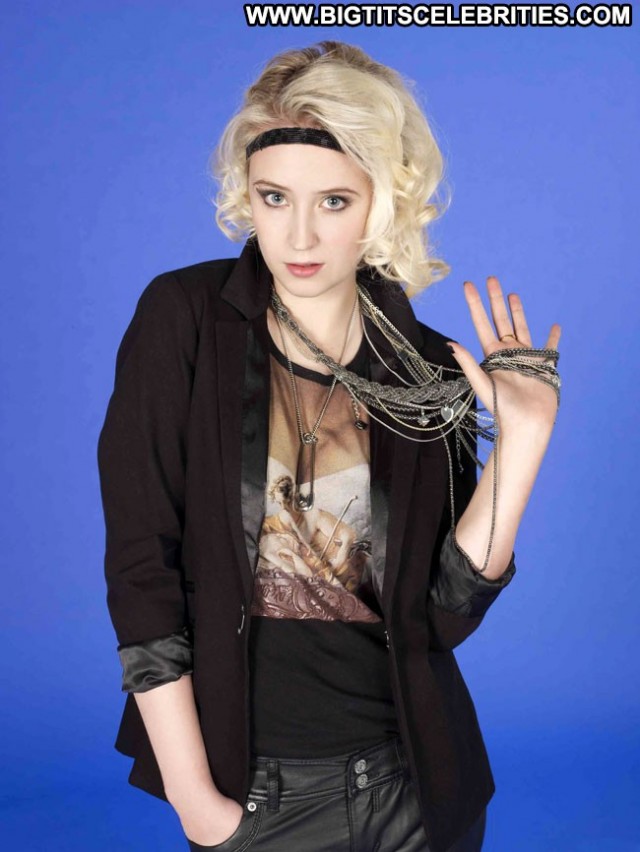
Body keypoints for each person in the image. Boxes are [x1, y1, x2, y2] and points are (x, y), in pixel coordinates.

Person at [97, 41, 561, 852]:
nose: (299, 233)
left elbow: (443, 617)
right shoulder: (185, 319)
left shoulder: (429, 370)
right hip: (256, 795)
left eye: (335, 201)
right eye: (274, 197)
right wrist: (197, 802)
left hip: (416, 791)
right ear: (247, 194)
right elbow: (142, 569)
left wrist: (523, 441)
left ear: (382, 204)